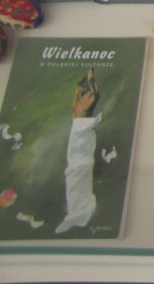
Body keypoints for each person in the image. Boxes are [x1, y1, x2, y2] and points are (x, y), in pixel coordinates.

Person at [55, 70, 101, 235]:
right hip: (79, 167)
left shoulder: (81, 131)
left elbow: (79, 165)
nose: (73, 101)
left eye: (78, 97)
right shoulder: (81, 129)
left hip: (79, 171)